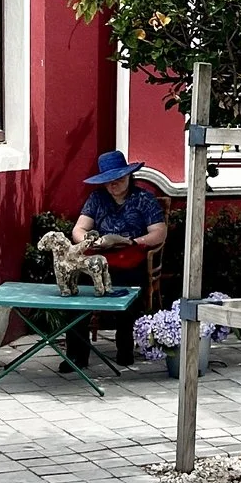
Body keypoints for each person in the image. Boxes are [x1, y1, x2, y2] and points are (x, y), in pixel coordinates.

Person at [63, 150, 168, 369]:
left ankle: (125, 347)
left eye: (118, 178)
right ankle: (76, 355)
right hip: (100, 257)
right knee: (77, 289)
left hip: (131, 255)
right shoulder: (97, 199)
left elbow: (159, 232)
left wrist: (132, 242)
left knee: (127, 287)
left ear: (129, 175)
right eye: (109, 180)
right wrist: (90, 242)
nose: (114, 184)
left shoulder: (143, 199)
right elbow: (79, 229)